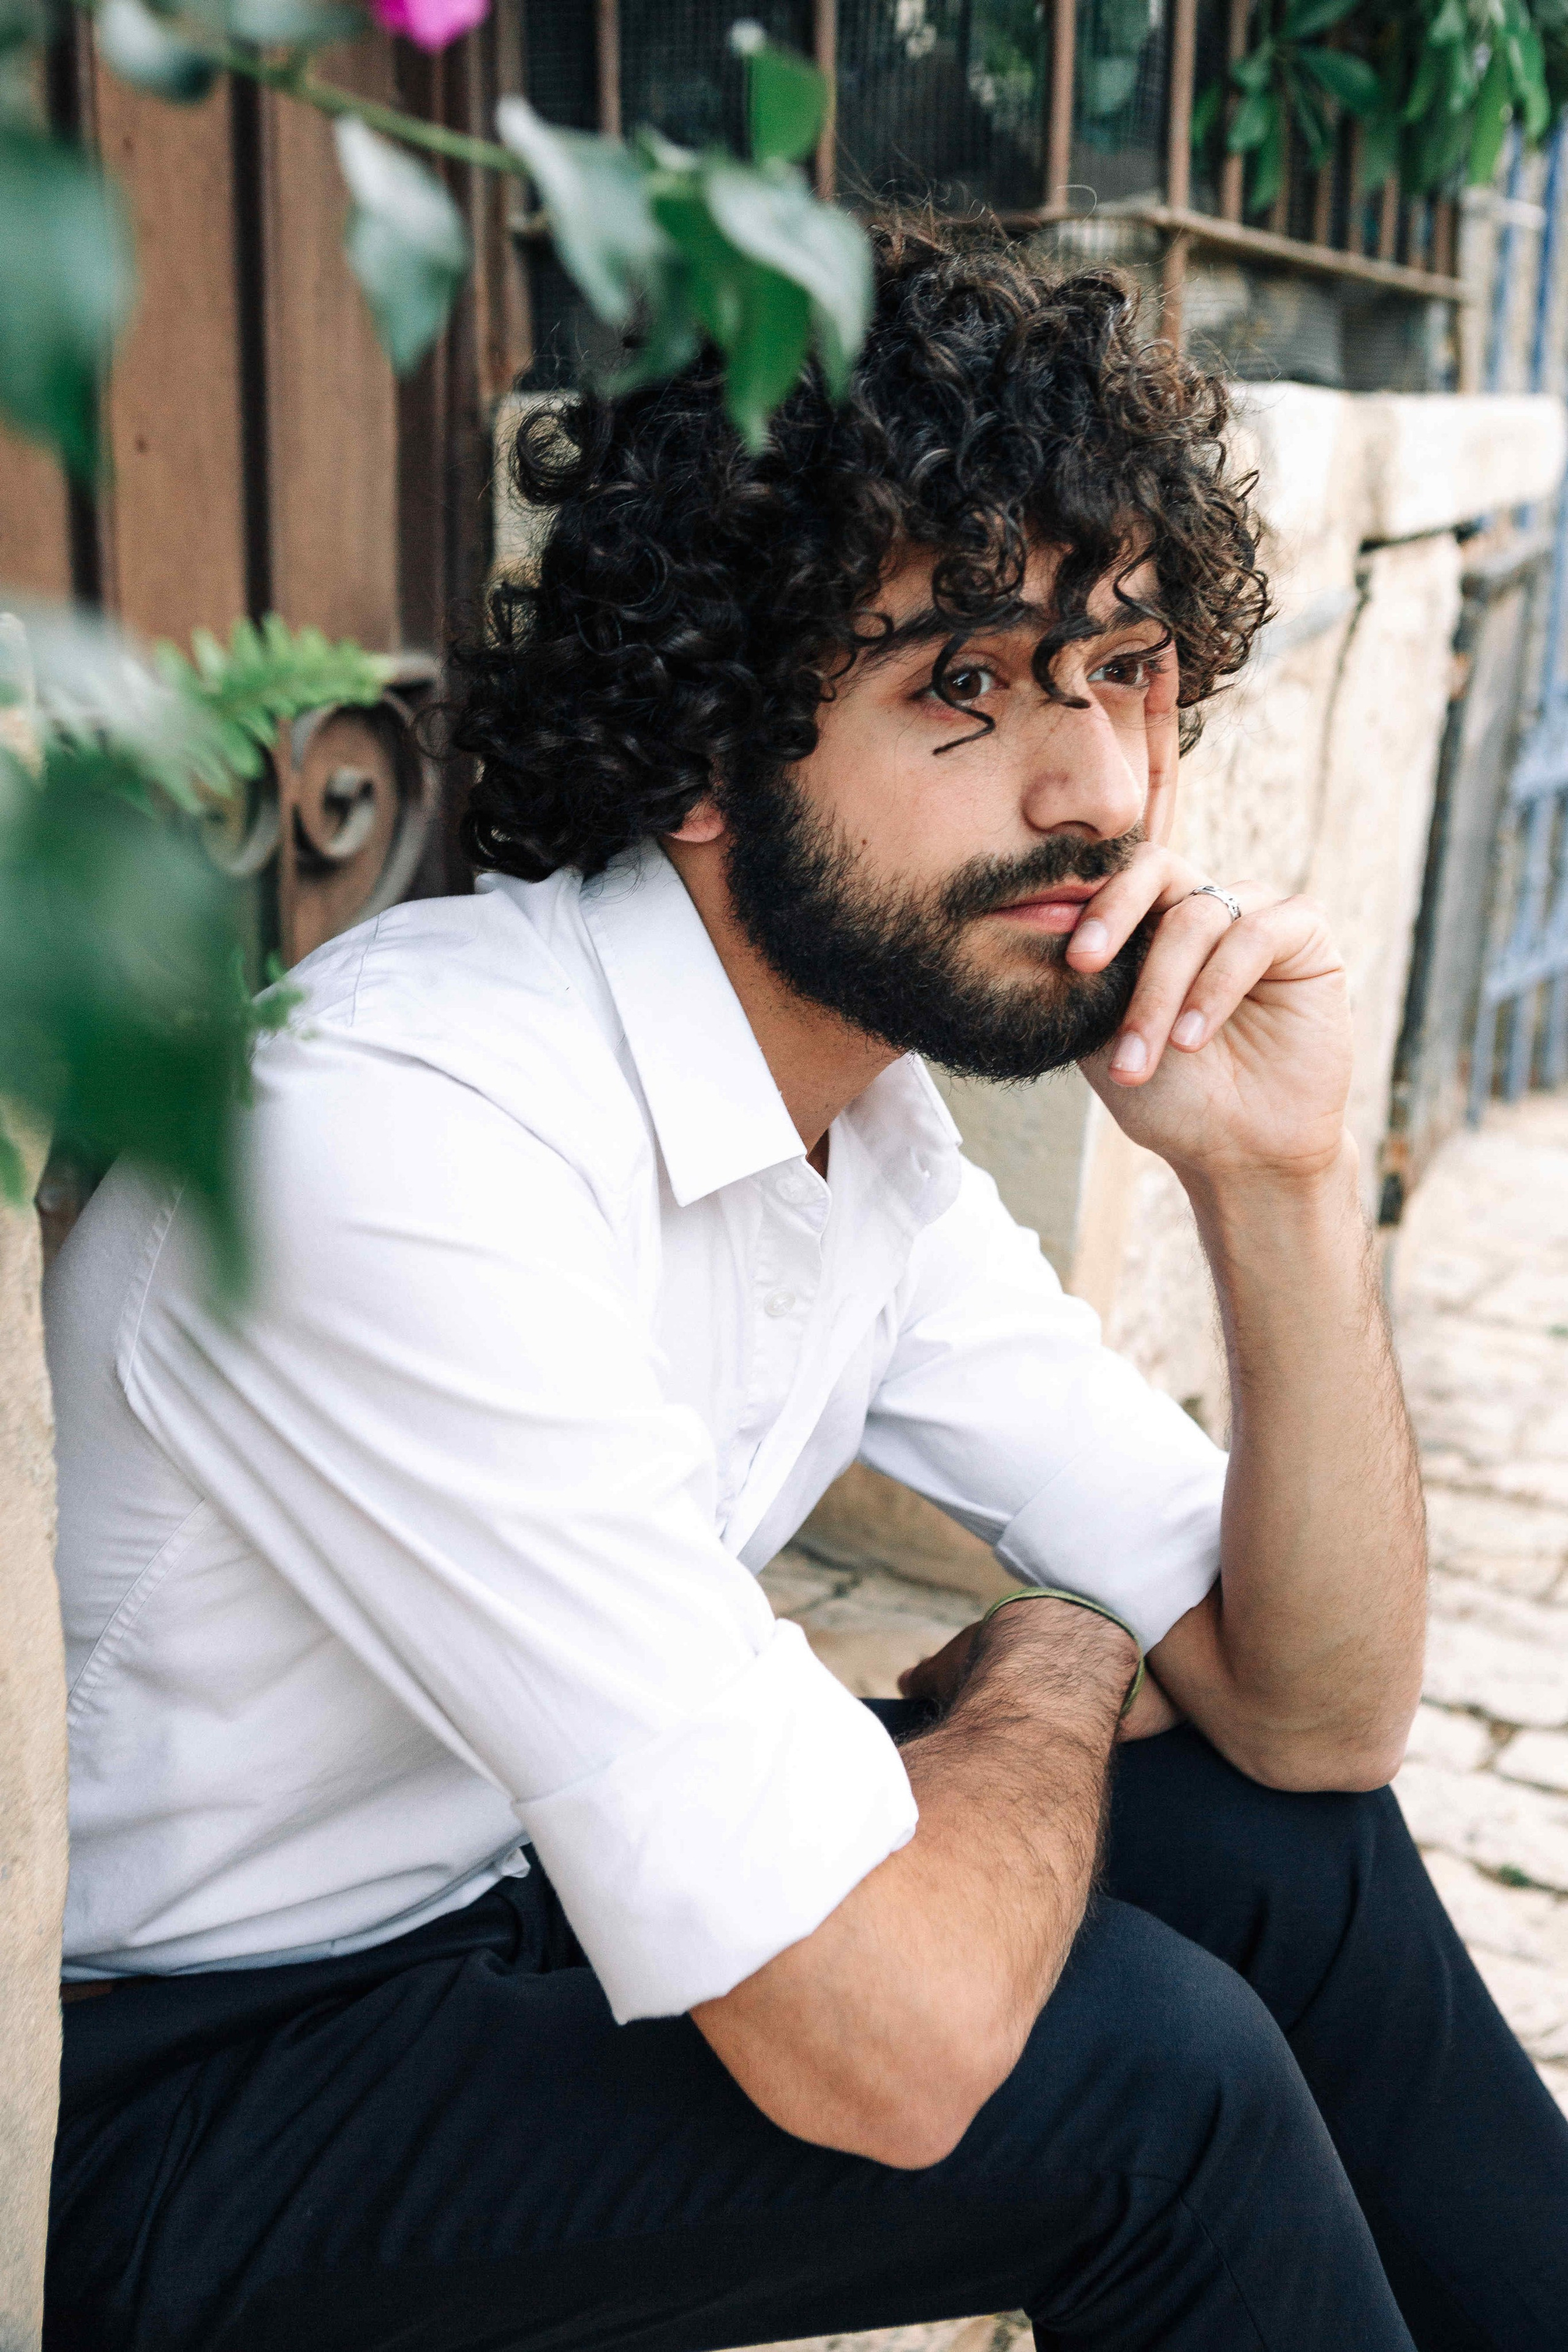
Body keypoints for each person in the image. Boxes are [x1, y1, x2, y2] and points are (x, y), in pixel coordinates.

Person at [41, 221, 1568, 2352]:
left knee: (1272, 1863)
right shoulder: (401, 1141)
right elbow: (895, 2043)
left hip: (474, 1933)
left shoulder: (857, 1134)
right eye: (965, 684)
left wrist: (1284, 1182)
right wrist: (1039, 1674)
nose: (1100, 789)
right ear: (704, 752)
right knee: (1142, 2078)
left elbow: (1317, 1715)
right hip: (139, 2108)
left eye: (1123, 668)